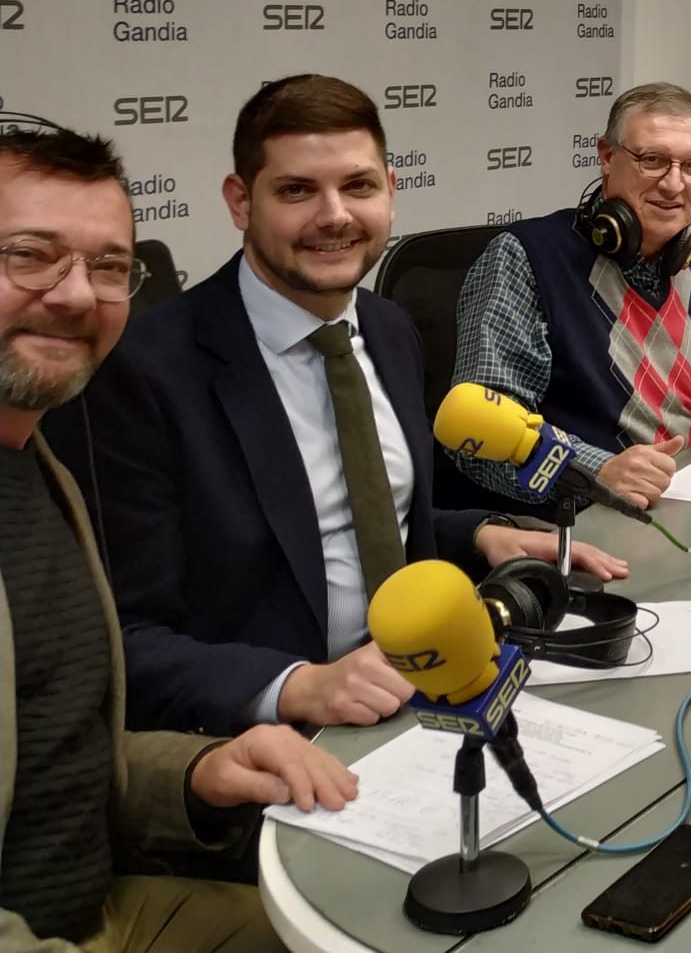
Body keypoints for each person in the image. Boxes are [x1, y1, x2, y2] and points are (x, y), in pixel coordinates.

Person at [56, 76, 627, 738]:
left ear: (389, 188)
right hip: (270, 742)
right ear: (241, 201)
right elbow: (119, 637)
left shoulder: (390, 329)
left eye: (358, 187)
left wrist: (474, 533)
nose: (334, 216)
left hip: (425, 693)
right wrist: (295, 686)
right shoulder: (140, 374)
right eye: (297, 190)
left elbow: (357, 520)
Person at [1, 122, 357, 953]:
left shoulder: (37, 461)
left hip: (105, 900)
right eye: (29, 255)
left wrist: (196, 774)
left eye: (109, 266)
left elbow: (55, 755)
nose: (77, 295)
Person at [451, 82, 691, 511]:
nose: (674, 184)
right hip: (586, 518)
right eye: (653, 161)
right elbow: (476, 438)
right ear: (607, 156)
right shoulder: (526, 258)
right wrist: (596, 471)